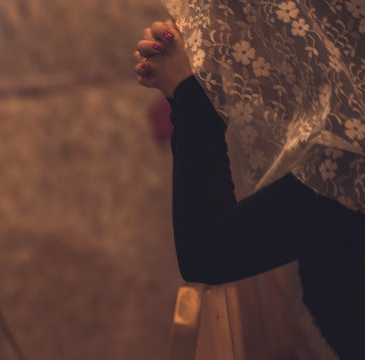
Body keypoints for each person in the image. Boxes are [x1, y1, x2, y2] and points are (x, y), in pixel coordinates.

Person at [134, 20, 365, 359]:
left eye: (242, 23)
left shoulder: (347, 165)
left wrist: (190, 91)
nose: (225, 51)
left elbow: (209, 252)